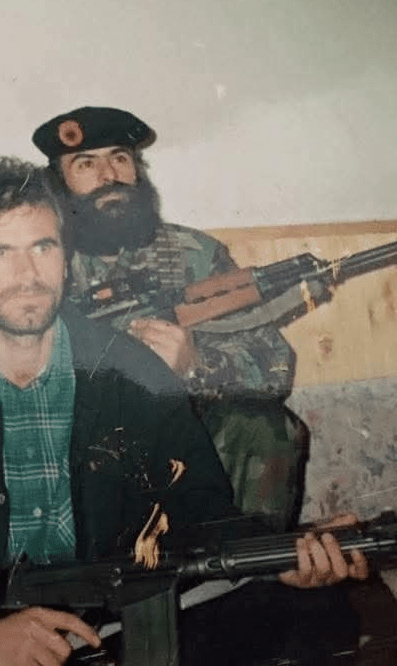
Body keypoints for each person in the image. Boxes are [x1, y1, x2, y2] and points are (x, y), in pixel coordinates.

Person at [0, 157, 366, 666]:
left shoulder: (129, 368)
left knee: (313, 616)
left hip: (113, 619)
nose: (27, 274)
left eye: (43, 247)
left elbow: (199, 513)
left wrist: (278, 556)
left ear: (67, 260)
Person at [31, 106, 305, 529]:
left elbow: (275, 363)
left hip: (185, 437)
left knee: (264, 425)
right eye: (86, 163)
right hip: (88, 450)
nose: (110, 175)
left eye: (120, 158)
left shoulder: (194, 255)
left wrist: (196, 364)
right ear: (58, 182)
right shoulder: (36, 263)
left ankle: (253, 566)